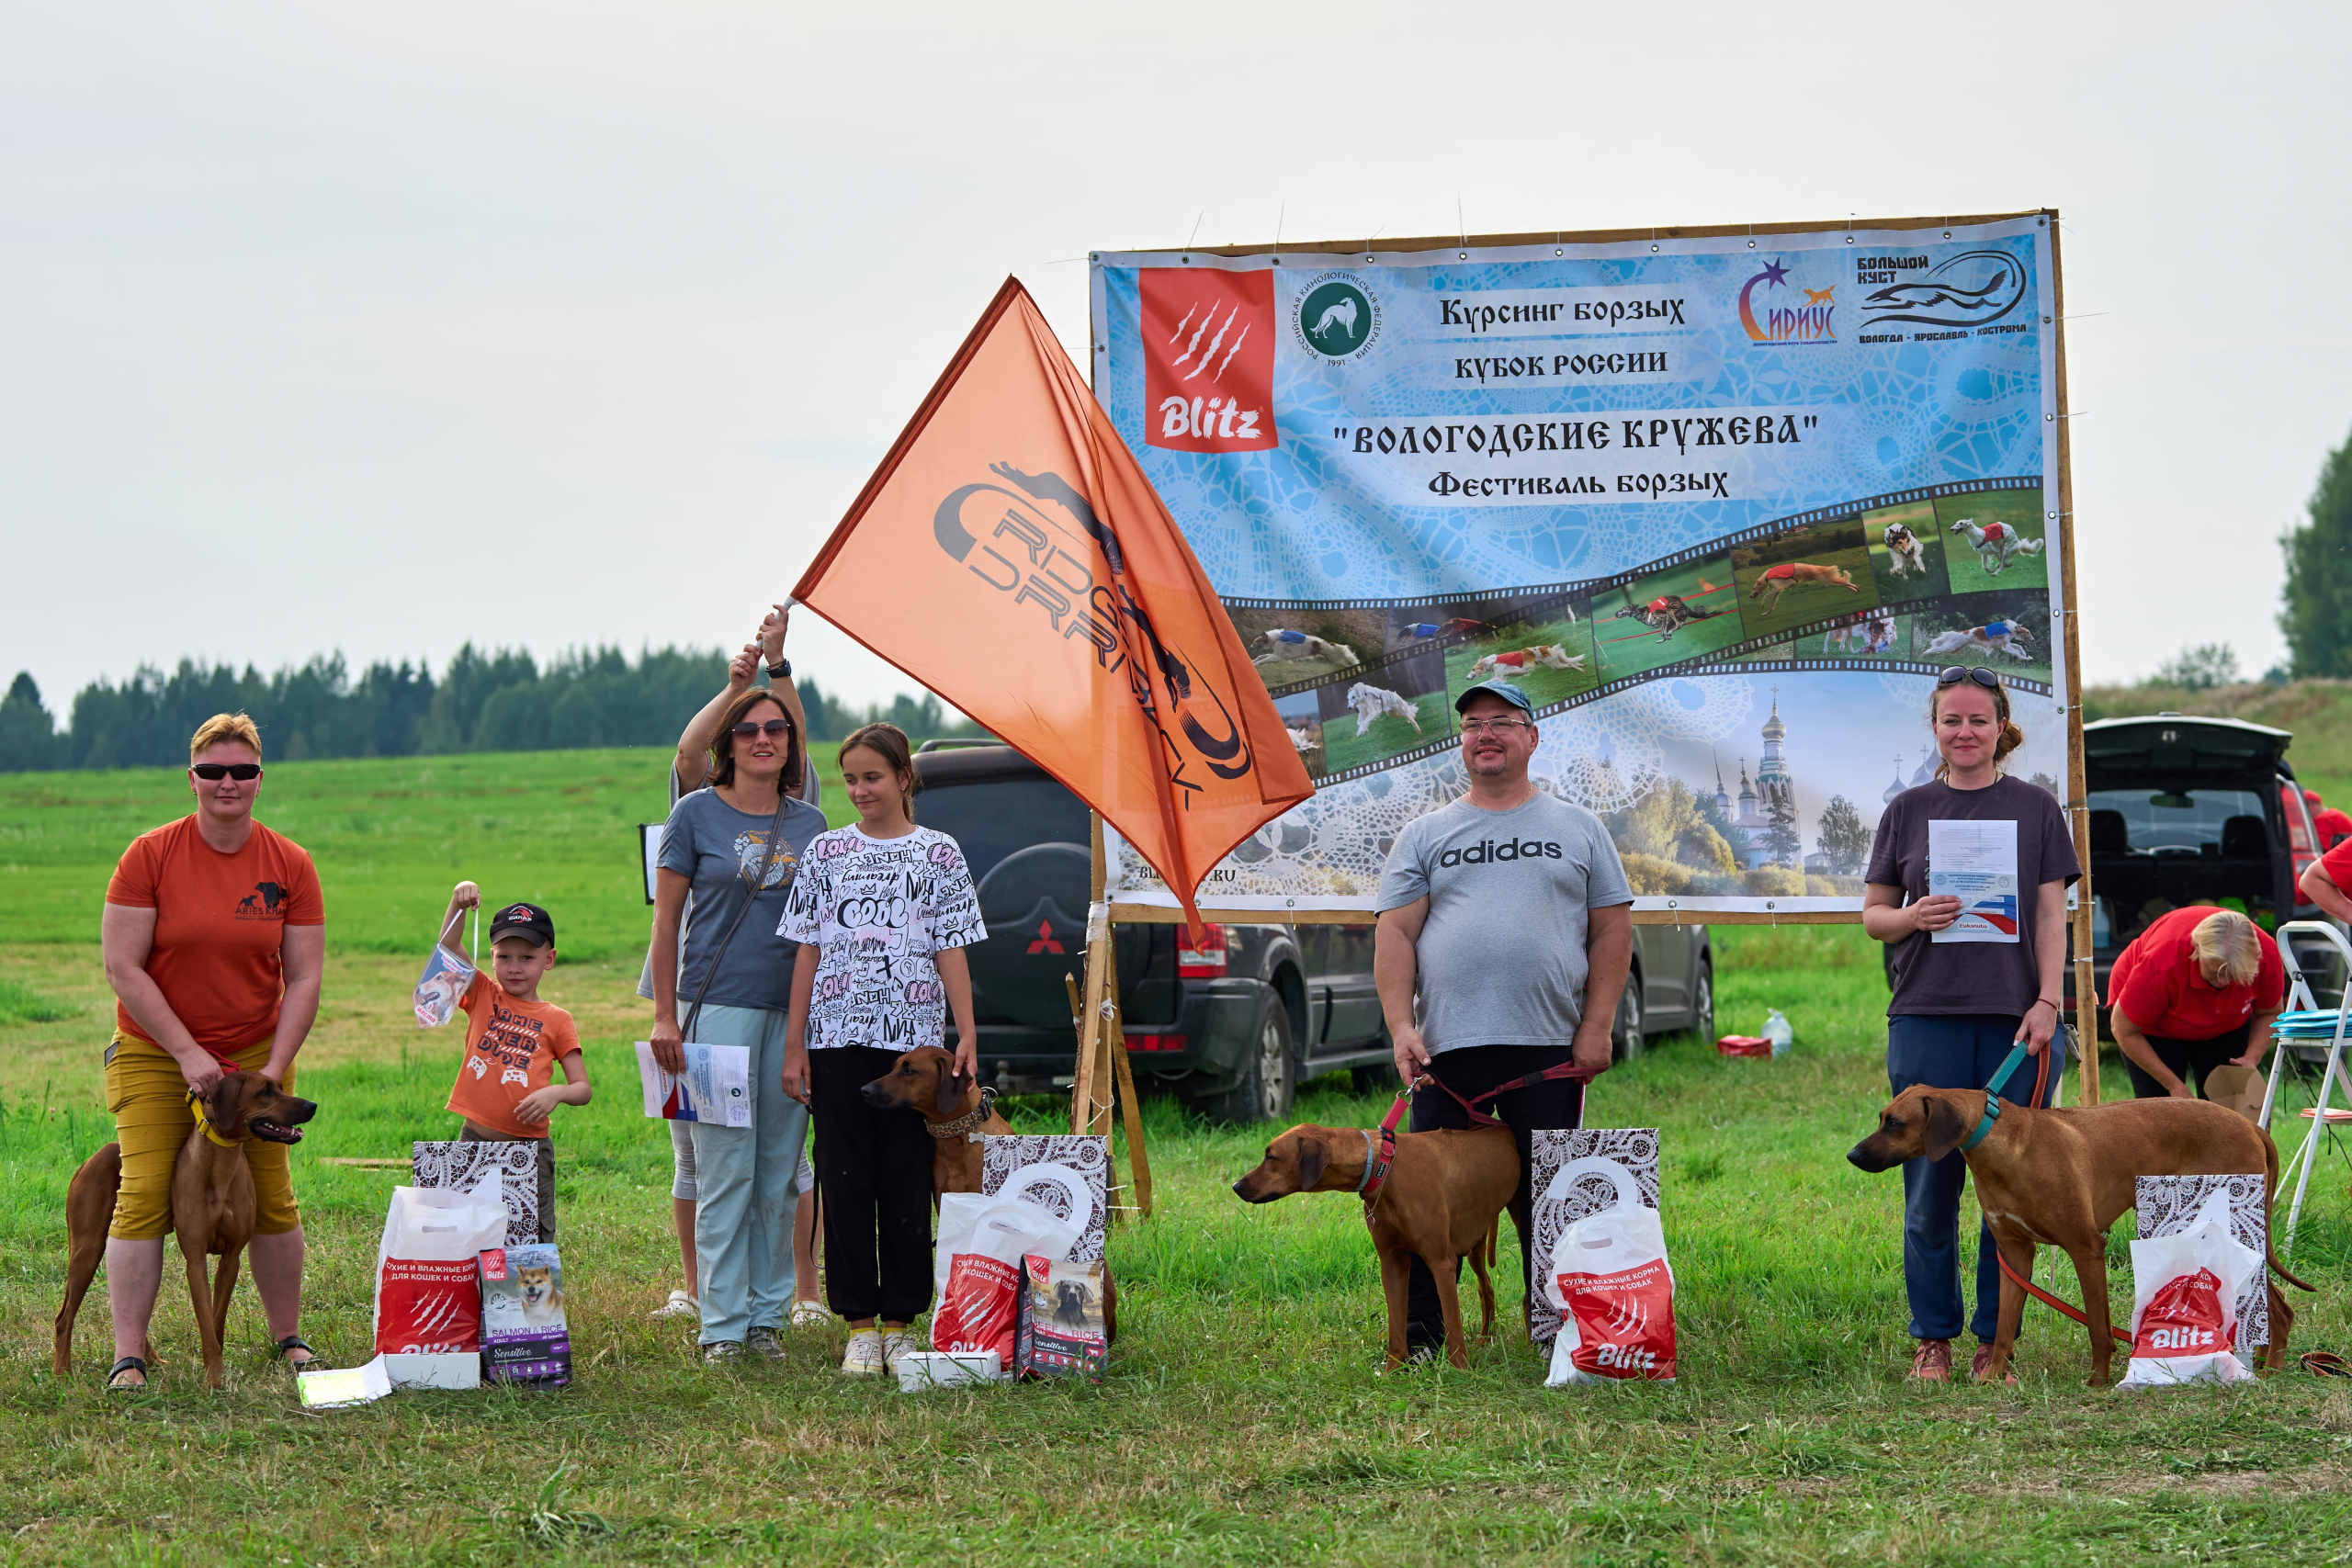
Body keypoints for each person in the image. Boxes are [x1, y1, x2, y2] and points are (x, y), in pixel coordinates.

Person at [1373, 679, 1634, 1367]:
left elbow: (1611, 930)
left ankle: (1561, 1335)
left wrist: (1597, 1024)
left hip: (1549, 1050)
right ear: (1462, 742)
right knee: (1430, 1198)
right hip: (1446, 1054)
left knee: (1553, 1197)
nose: (1486, 734)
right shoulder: (1425, 834)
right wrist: (1401, 1026)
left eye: (1503, 722)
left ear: (1531, 737)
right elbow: (1395, 936)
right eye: (1473, 724)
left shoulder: (1578, 827)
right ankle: (1425, 1340)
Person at [1862, 666, 2078, 1385]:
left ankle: (1996, 1340)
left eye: (1977, 720)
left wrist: (2050, 999)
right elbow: (1873, 916)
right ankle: (1934, 1338)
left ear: (2000, 728)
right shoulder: (1906, 810)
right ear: (1934, 729)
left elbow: (2053, 914)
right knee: (1929, 1193)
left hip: (2014, 1020)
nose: (1964, 732)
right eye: (1951, 721)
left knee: (2013, 1191)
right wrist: (1911, 916)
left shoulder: (2037, 807)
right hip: (1925, 1016)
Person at [97, 713, 325, 1391]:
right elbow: (122, 966)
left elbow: (305, 974)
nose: (228, 782)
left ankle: (288, 1336)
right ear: (191, 777)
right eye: (214, 770)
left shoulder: (289, 862)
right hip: (154, 1049)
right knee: (142, 1192)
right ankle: (129, 1354)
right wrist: (189, 1053)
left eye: (243, 771)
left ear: (260, 778)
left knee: (273, 1196)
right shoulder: (149, 855)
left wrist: (275, 1066)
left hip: (256, 1053)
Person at [639, 605, 826, 1327]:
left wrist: (781, 667)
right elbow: (665, 922)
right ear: (730, 742)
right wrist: (664, 1013)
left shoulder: (810, 821)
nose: (763, 739)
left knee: (779, 1174)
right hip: (712, 1009)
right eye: (747, 730)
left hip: (793, 1013)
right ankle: (721, 1324)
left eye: (775, 729)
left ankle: (769, 1318)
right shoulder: (693, 814)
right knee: (723, 1171)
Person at [781, 723, 984, 1376]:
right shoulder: (825, 852)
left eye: (873, 776)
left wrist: (966, 1032)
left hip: (912, 1047)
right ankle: (859, 1325)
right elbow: (808, 948)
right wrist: (795, 1044)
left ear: (904, 778)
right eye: (851, 778)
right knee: (842, 1175)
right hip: (835, 1038)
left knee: (903, 1176)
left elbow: (950, 946)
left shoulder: (940, 853)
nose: (860, 789)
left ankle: (900, 1320)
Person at [430, 884, 592, 1239]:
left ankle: (527, 1298)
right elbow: (448, 949)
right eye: (504, 957)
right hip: (472, 1141)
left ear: (548, 960)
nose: (514, 968)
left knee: (527, 1236)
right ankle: (473, 1296)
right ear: (492, 957)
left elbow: (582, 1088)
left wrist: (557, 1093)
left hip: (528, 1150)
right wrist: (457, 902)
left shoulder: (558, 1019)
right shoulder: (482, 993)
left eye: (527, 958)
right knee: (464, 1232)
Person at [2104, 906, 2282, 1101]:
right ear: (2197, 949)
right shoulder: (2163, 962)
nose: (2223, 981)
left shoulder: (2265, 953)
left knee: (2231, 1108)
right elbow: (2123, 1028)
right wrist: (2174, 1086)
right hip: (2155, 1025)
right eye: (2215, 972)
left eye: (2233, 976)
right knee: (2162, 1113)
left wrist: (2251, 1059)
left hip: (2228, 1023)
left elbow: (2270, 1012)